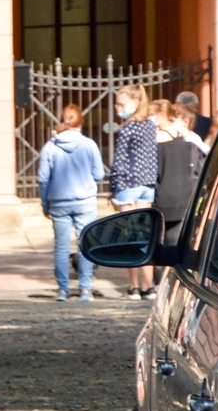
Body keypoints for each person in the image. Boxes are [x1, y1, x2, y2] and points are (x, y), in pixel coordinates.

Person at [36, 102, 106, 300]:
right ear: (80, 123)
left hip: (58, 202)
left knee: (61, 247)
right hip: (85, 201)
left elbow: (43, 179)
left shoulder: (50, 147)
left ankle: (62, 290)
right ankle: (85, 288)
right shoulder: (89, 144)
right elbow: (99, 173)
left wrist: (44, 203)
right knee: (85, 245)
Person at [151, 97, 210, 292]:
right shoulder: (189, 143)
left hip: (165, 200)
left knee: (166, 247)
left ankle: (167, 285)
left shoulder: (180, 143)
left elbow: (156, 174)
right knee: (176, 244)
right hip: (184, 199)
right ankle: (175, 284)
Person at [108, 87, 160, 298]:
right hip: (147, 185)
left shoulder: (127, 129)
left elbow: (120, 161)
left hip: (128, 185)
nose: (117, 108)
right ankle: (149, 286)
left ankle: (133, 286)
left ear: (135, 102)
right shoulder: (150, 126)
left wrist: (113, 187)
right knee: (144, 236)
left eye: (121, 104)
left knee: (129, 236)